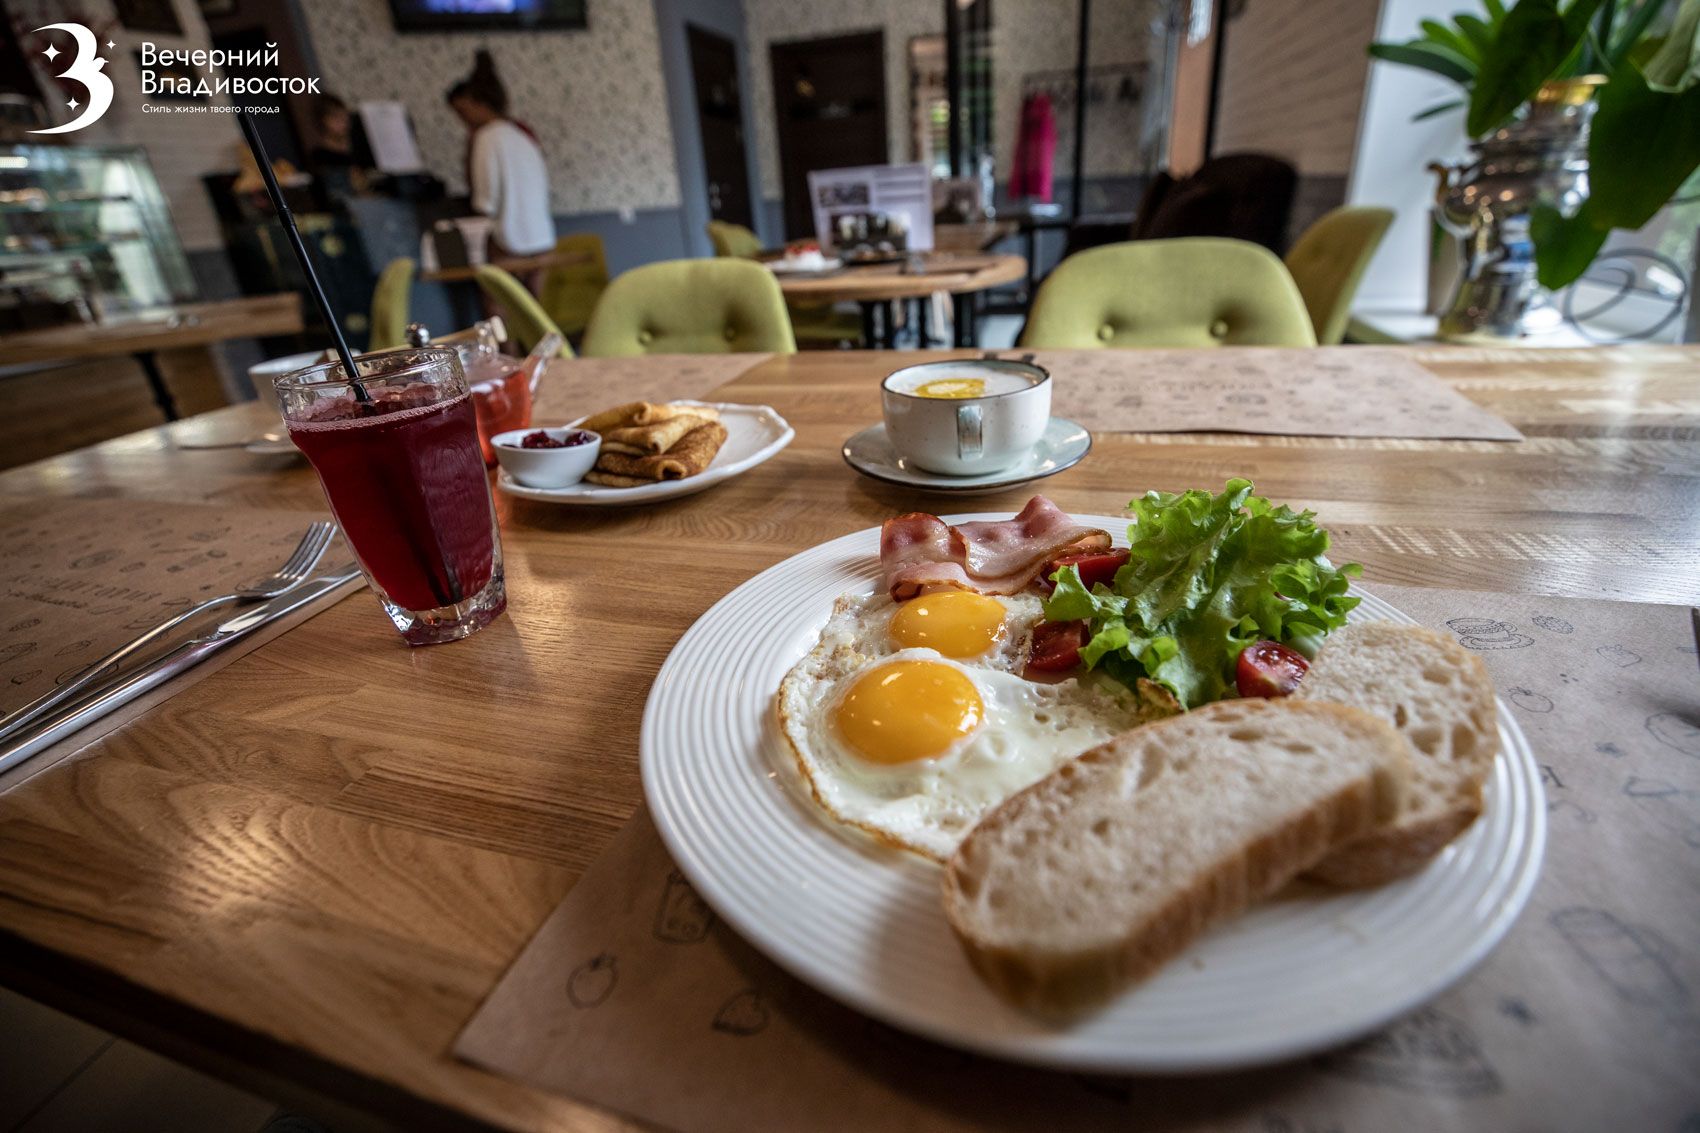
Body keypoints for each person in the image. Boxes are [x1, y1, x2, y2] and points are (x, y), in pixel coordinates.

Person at [446, 50, 554, 262]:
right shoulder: (522, 135)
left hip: (509, 239)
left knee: (497, 291)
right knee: (534, 296)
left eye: (462, 112)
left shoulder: (486, 138)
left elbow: (485, 201)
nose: (462, 120)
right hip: (541, 236)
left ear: (479, 103)